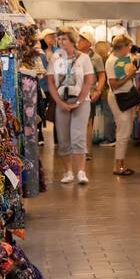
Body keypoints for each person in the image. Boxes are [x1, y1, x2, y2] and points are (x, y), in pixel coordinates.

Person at [46, 26, 95, 185]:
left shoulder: (84, 58)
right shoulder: (55, 57)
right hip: (62, 102)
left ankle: (81, 171)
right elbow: (51, 82)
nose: (60, 42)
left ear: (73, 40)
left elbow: (89, 80)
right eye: (59, 39)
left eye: (64, 38)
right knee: (63, 137)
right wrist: (59, 102)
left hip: (81, 102)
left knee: (78, 136)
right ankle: (68, 172)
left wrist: (80, 100)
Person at [104, 34, 139, 176]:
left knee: (126, 130)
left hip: (127, 96)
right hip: (119, 97)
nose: (130, 48)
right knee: (123, 130)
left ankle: (121, 163)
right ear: (122, 46)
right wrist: (129, 76)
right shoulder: (111, 61)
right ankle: (118, 165)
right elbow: (114, 84)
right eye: (128, 46)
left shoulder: (124, 58)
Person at [79, 33, 106, 166]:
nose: (79, 41)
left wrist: (98, 90)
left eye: (83, 40)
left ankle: (86, 150)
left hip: (89, 94)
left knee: (88, 122)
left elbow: (102, 76)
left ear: (89, 43)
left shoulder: (96, 58)